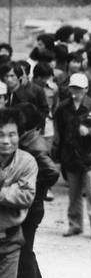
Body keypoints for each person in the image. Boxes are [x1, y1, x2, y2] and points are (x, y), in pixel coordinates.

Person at [53, 73, 91, 238]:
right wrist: (58, 154)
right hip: (71, 156)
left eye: (79, 89)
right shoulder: (63, 107)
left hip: (90, 156)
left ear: (86, 89)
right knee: (74, 194)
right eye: (73, 88)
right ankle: (75, 225)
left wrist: (90, 131)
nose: (75, 92)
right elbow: (59, 132)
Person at [16, 103, 59, 278]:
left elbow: (52, 172)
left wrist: (32, 185)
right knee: (23, 250)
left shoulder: (33, 144)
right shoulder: (28, 140)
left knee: (23, 252)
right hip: (31, 206)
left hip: (32, 207)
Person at [0, 108, 38, 278]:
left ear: (19, 135)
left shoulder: (27, 162)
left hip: (11, 239)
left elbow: (26, 196)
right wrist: (11, 191)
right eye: (0, 135)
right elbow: (18, 194)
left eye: (12, 135)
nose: (6, 141)